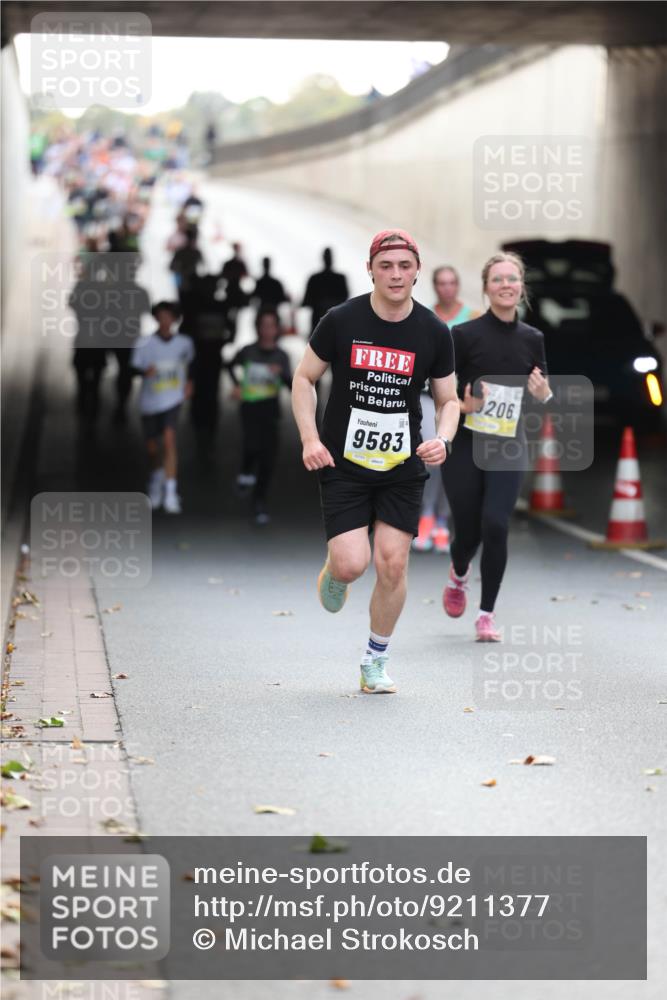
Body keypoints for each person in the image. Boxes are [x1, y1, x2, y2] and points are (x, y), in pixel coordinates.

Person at [292, 230, 459, 694]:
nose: (395, 274)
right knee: (352, 565)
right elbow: (304, 378)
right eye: (386, 266)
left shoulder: (432, 331)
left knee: (393, 565)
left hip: (401, 466)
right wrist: (309, 439)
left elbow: (448, 400)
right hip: (343, 462)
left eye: (404, 266)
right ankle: (335, 569)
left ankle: (374, 661)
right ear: (370, 269)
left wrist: (443, 438)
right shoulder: (341, 320)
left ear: (416, 271)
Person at [441, 252, 552, 641]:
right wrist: (465, 404)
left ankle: (486, 614)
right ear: (486, 288)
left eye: (513, 279)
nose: (506, 285)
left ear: (522, 287)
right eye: (498, 279)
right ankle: (458, 573)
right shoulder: (464, 335)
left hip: (508, 444)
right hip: (468, 443)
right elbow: (443, 391)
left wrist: (544, 392)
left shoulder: (532, 339)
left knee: (497, 524)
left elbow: (540, 393)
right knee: (468, 531)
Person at [414, 266, 480, 553]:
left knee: (456, 467)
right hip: (431, 398)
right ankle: (426, 515)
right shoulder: (424, 317)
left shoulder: (473, 318)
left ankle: (443, 519)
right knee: (433, 457)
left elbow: (482, 360)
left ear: (458, 285)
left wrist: (475, 397)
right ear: (434, 286)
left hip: (464, 401)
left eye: (452, 283)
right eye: (441, 283)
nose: (447, 288)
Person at [228, 308, 292, 525]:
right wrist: (237, 386)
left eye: (271, 326)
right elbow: (229, 366)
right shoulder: (247, 351)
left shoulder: (281, 356)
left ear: (277, 329)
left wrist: (281, 374)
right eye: (263, 325)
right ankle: (245, 473)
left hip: (271, 410)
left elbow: (293, 385)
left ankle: (259, 500)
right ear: (257, 327)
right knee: (252, 446)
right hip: (249, 408)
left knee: (269, 457)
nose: (267, 330)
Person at [131, 302, 195, 514]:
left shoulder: (184, 343)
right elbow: (132, 369)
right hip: (150, 402)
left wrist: (189, 383)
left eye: (169, 316)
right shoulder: (144, 343)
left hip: (172, 400)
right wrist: (143, 373)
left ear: (175, 319)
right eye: (161, 316)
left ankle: (170, 490)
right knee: (152, 447)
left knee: (168, 440)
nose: (165, 320)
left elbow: (192, 365)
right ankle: (156, 477)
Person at [302, 247, 349, 334]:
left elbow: (306, 301)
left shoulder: (314, 278)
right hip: (334, 324)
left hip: (318, 324)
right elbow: (345, 299)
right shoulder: (340, 278)